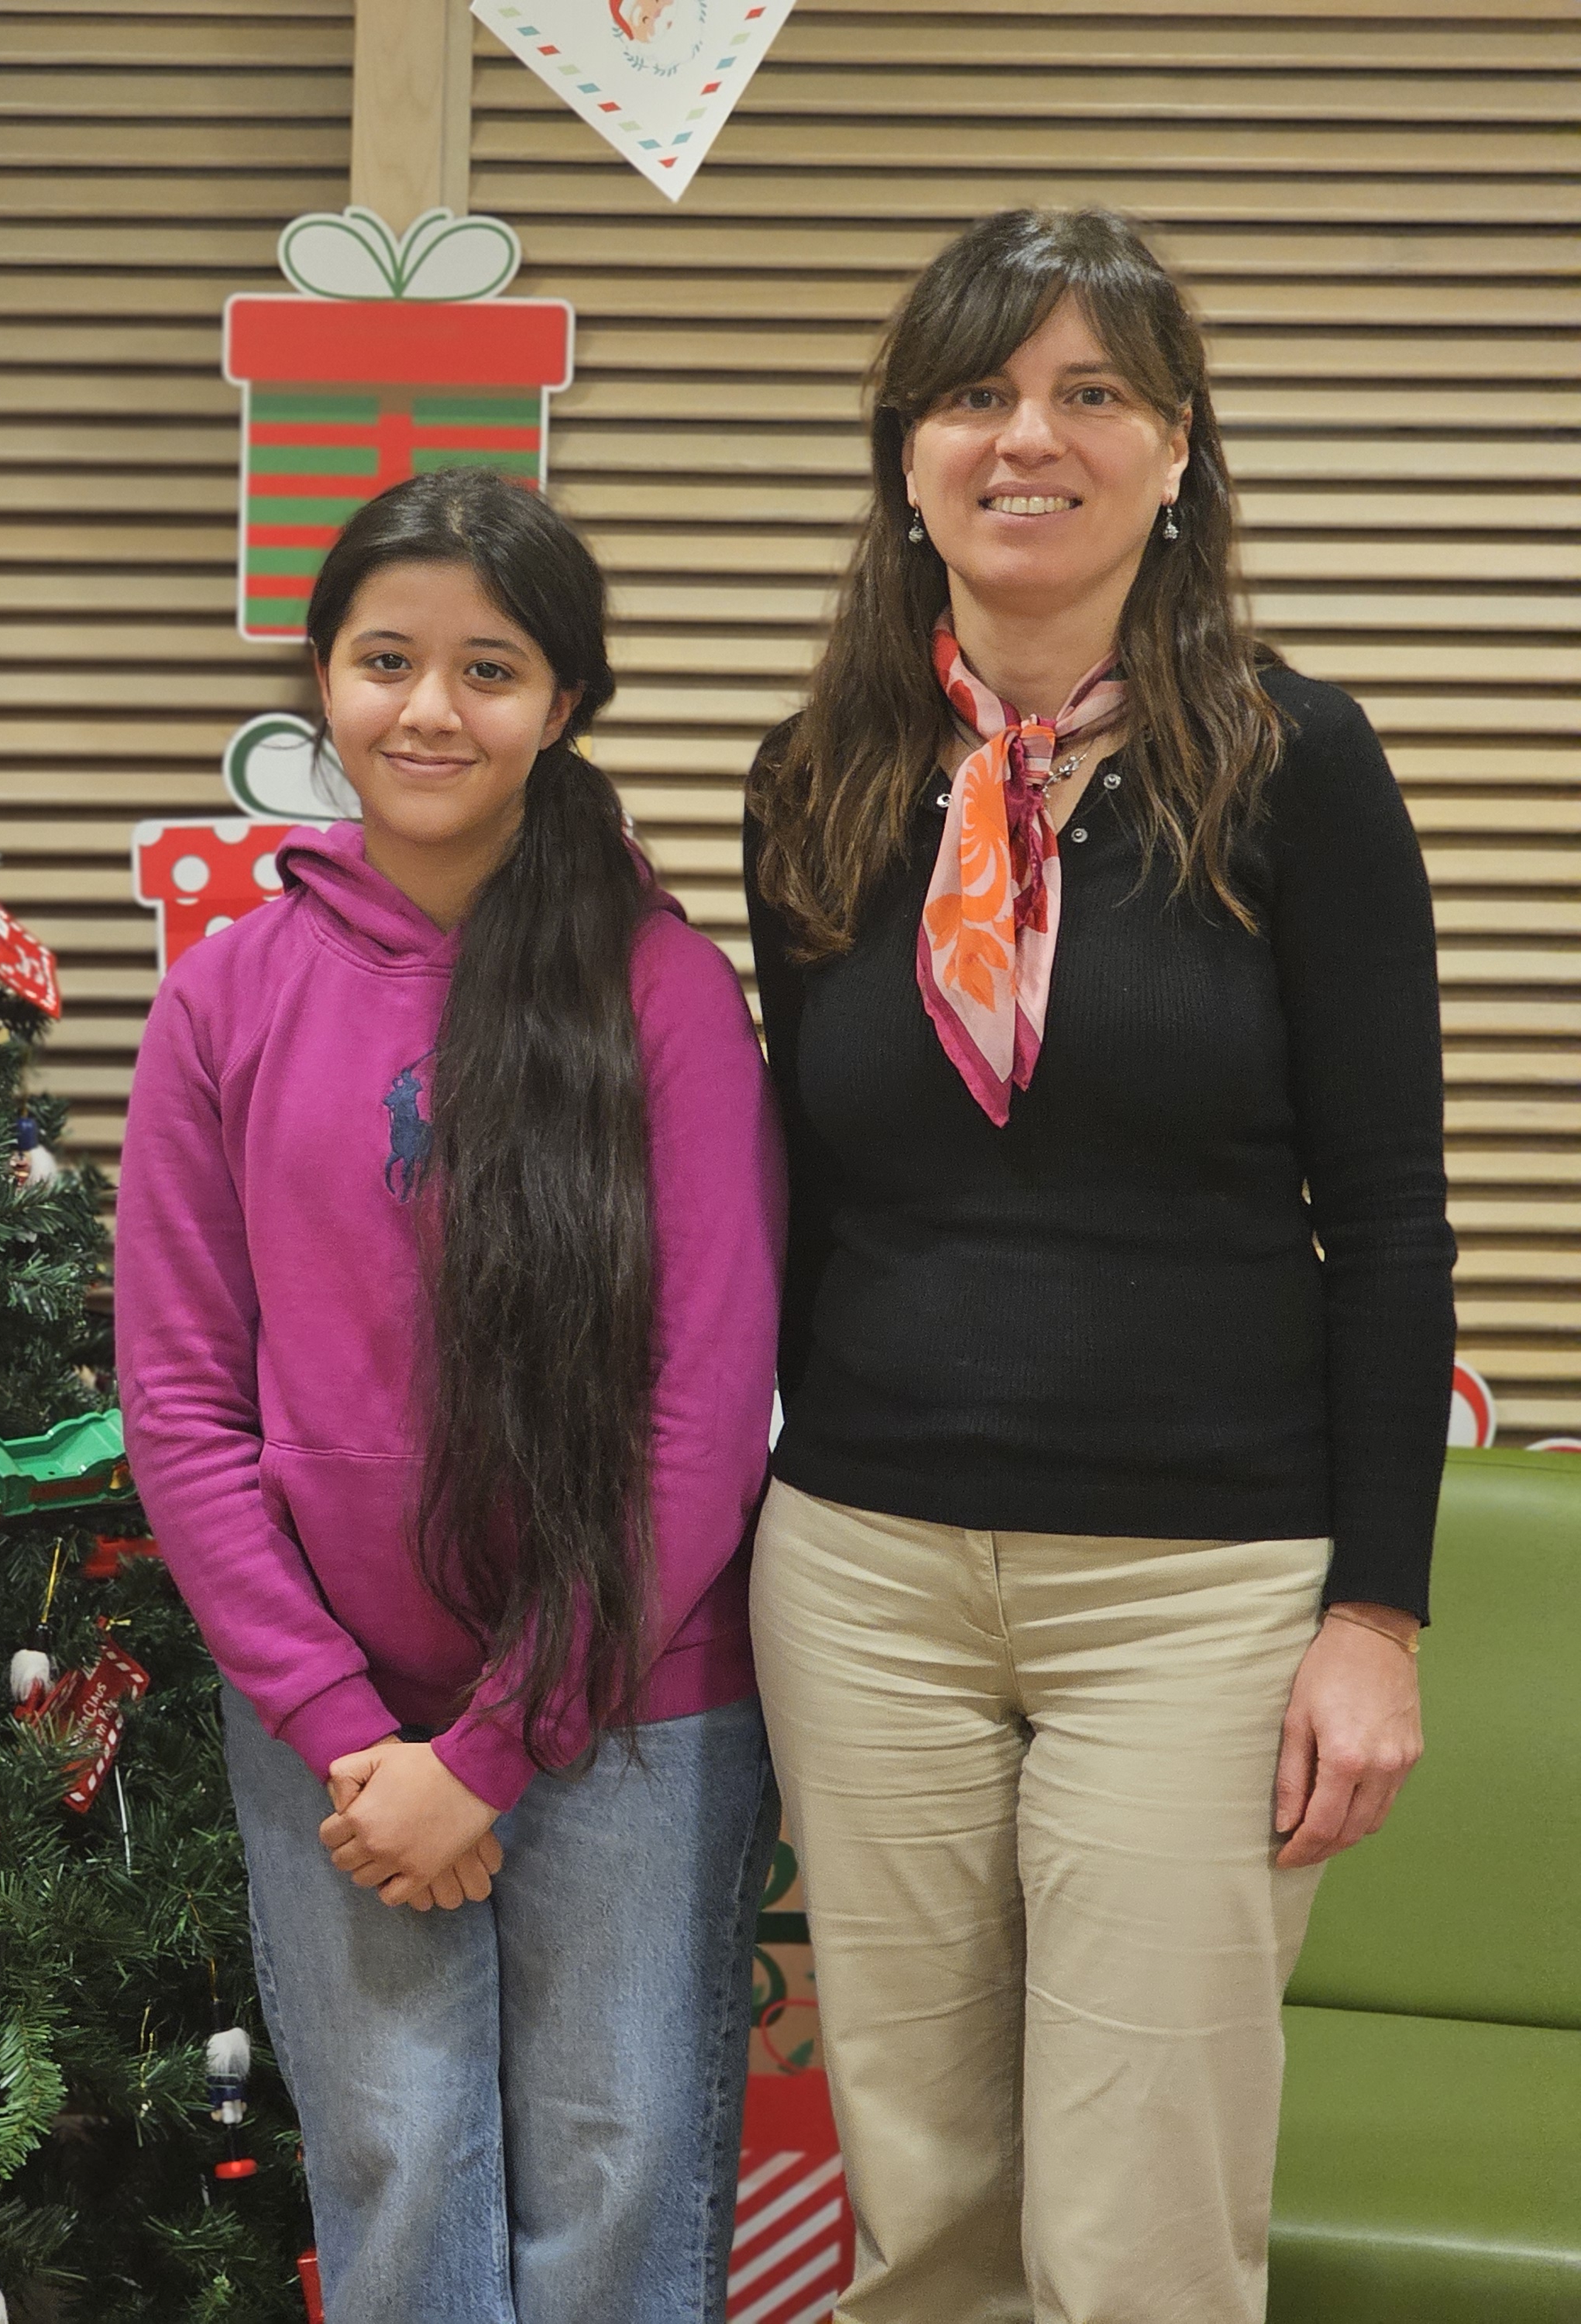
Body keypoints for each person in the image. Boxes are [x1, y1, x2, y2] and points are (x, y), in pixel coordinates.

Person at [739, 206, 1448, 2324]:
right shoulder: (821, 780)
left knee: (1136, 2232)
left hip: (1196, 1596)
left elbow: (1388, 1215)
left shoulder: (1299, 767)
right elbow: (807, 1201)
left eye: (1089, 394)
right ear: (904, 454)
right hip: (865, 1577)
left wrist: (1375, 1614)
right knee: (926, 2216)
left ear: (1176, 448)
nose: (1025, 438)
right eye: (974, 392)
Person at [117, 468, 786, 2324]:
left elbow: (700, 1422)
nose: (428, 710)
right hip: (328, 1723)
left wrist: (490, 1750)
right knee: (398, 2164)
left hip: (631, 1705)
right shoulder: (224, 1000)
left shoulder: (660, 992)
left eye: (487, 669)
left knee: (618, 2169)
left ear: (561, 704)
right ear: (319, 680)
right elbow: (179, 1406)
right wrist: (347, 1730)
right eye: (383, 660)